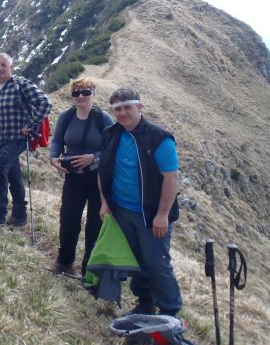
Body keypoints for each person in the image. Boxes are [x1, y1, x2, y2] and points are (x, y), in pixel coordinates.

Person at [98, 87, 182, 316]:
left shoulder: (159, 138)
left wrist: (163, 214)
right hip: (122, 211)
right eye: (118, 109)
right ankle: (145, 303)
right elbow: (103, 170)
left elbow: (171, 177)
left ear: (140, 107)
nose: (123, 113)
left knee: (157, 264)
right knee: (136, 260)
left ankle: (169, 312)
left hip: (151, 215)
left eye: (128, 107)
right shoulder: (111, 133)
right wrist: (105, 202)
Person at [49, 77, 114, 276]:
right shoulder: (66, 117)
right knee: (68, 220)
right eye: (76, 93)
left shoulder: (103, 118)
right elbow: (57, 141)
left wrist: (93, 157)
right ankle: (64, 261)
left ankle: (89, 270)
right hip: (73, 178)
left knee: (95, 224)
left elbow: (112, 148)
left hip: (98, 179)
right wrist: (54, 158)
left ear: (93, 94)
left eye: (86, 92)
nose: (81, 96)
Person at [0, 53, 52, 225]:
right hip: (2, 139)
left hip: (19, 138)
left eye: (3, 65)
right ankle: (19, 215)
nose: (0, 68)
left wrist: (31, 124)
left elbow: (45, 104)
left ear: (11, 67)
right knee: (13, 175)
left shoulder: (21, 84)